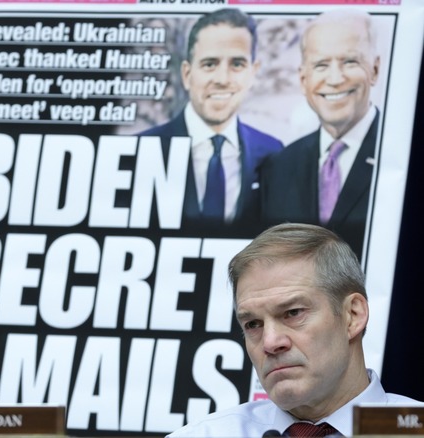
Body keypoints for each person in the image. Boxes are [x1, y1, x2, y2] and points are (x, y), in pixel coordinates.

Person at [167, 223, 422, 437]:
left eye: (293, 313)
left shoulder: (412, 428)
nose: (270, 342)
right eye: (253, 324)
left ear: (353, 316)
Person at [139, 8, 283, 234]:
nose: (222, 79)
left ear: (253, 73)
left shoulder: (273, 153)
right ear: (187, 74)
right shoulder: (142, 149)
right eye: (209, 64)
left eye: (237, 64)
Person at [260, 9, 381, 259]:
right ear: (303, 79)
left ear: (375, 70)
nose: (335, 79)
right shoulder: (278, 167)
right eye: (321, 65)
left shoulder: (405, 157)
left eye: (350, 61)